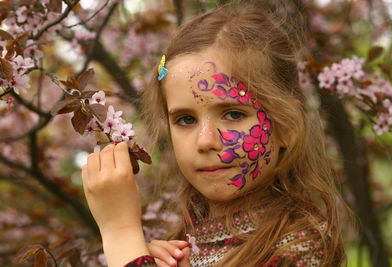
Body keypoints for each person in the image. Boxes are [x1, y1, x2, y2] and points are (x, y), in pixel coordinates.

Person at [81, 2, 347, 266]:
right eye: (185, 119)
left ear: (286, 126)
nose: (205, 140)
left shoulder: (300, 247)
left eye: (233, 114)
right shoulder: (184, 247)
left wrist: (121, 235)